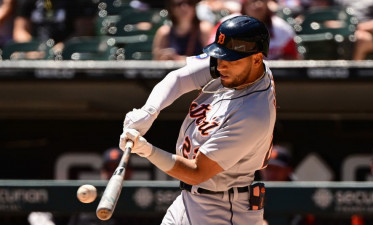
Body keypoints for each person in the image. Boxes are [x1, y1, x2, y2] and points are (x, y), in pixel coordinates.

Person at [120, 15, 276, 225]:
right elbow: (179, 78)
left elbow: (197, 172)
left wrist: (147, 151)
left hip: (222, 209)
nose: (220, 67)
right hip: (188, 198)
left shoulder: (254, 114)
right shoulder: (240, 69)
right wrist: (149, 112)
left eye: (230, 60)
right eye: (220, 57)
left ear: (257, 59)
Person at [208, 0, 299, 60]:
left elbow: (292, 58)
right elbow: (212, 53)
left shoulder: (281, 28)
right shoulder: (227, 25)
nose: (257, 5)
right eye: (252, 1)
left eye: (261, 1)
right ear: (244, 5)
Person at [13, 0, 97, 59]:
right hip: (35, 52)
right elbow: (20, 30)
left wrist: (60, 48)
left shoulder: (79, 2)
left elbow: (84, 31)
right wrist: (33, 49)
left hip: (67, 54)